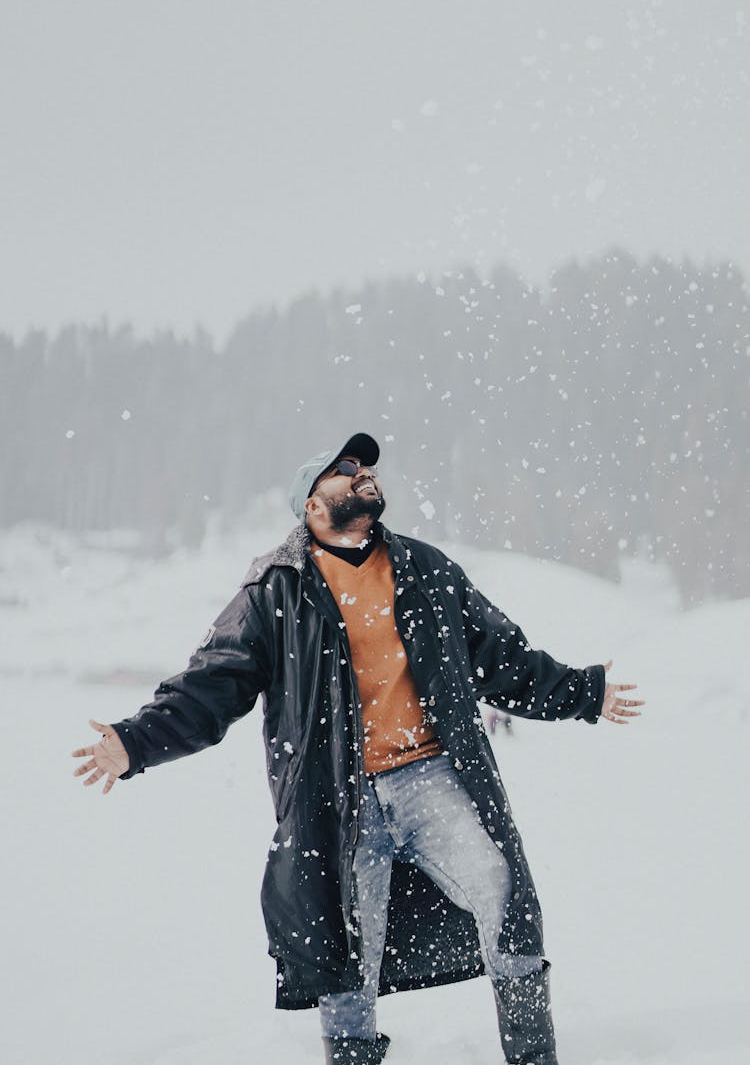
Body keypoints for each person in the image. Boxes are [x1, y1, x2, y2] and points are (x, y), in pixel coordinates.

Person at [72, 432, 643, 1065]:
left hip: (430, 776)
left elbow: (502, 659)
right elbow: (214, 684)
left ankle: (533, 1056)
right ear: (312, 506)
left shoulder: (426, 569)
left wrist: (584, 693)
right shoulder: (276, 589)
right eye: (344, 470)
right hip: (339, 796)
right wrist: (136, 741)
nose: (362, 473)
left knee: (499, 888)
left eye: (365, 466)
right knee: (347, 944)